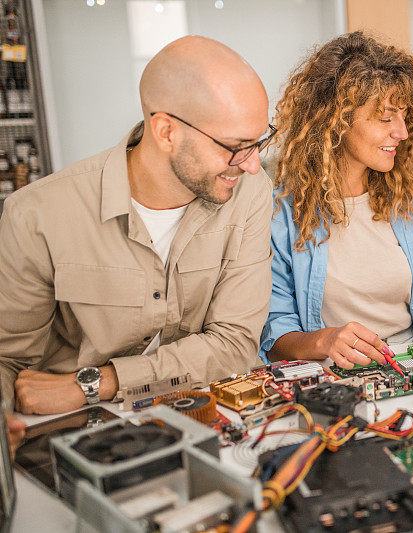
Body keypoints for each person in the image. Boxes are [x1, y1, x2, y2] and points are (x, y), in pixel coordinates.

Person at [0, 36, 274, 414]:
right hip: (77, 428)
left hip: (206, 412)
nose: (252, 164)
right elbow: (8, 360)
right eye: (236, 145)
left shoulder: (250, 192)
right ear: (165, 132)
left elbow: (236, 344)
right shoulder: (35, 215)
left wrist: (99, 382)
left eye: (260, 141)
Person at [260, 32, 413, 369]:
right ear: (336, 120)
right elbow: (275, 337)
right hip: (333, 380)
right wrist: (324, 340)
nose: (402, 132)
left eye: (405, 117)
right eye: (386, 118)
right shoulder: (281, 216)